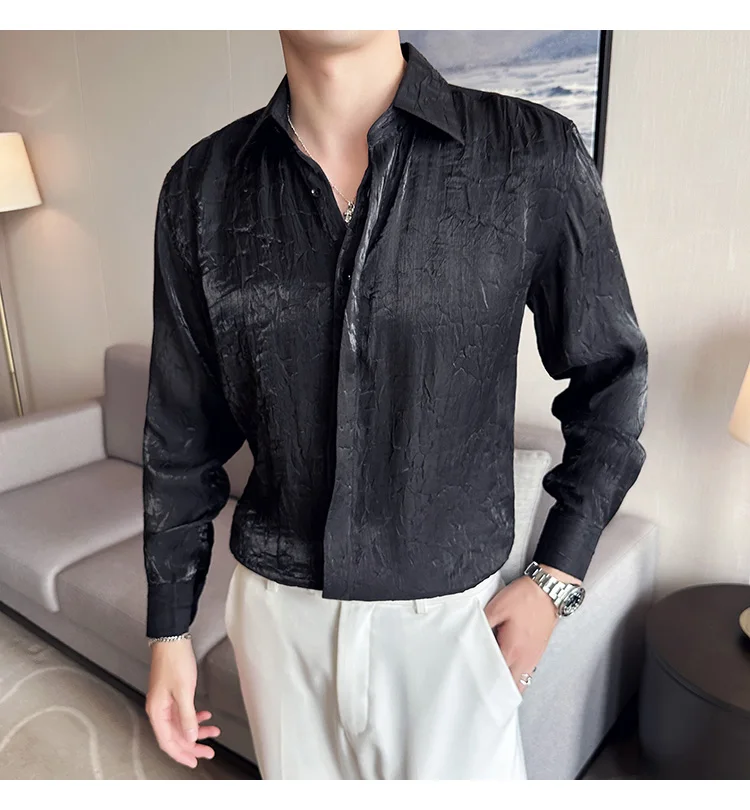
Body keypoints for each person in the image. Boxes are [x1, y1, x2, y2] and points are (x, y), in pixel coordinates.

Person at [142, 30, 648, 780]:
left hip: (452, 624)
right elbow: (179, 429)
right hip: (278, 621)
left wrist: (555, 578)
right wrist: (169, 628)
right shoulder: (200, 188)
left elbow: (612, 376)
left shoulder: (530, 153)